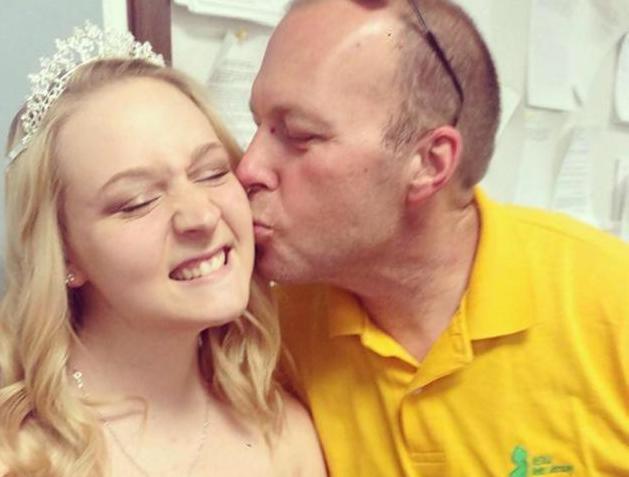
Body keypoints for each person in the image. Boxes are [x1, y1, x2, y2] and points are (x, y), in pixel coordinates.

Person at [236, 0, 629, 475]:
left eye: (298, 134)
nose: (248, 168)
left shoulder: (611, 304)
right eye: (258, 125)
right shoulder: (266, 339)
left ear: (430, 163)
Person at [0, 23, 326, 477]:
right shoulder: (15, 451)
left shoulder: (286, 437)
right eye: (138, 201)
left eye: (212, 172)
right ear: (65, 254)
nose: (200, 215)